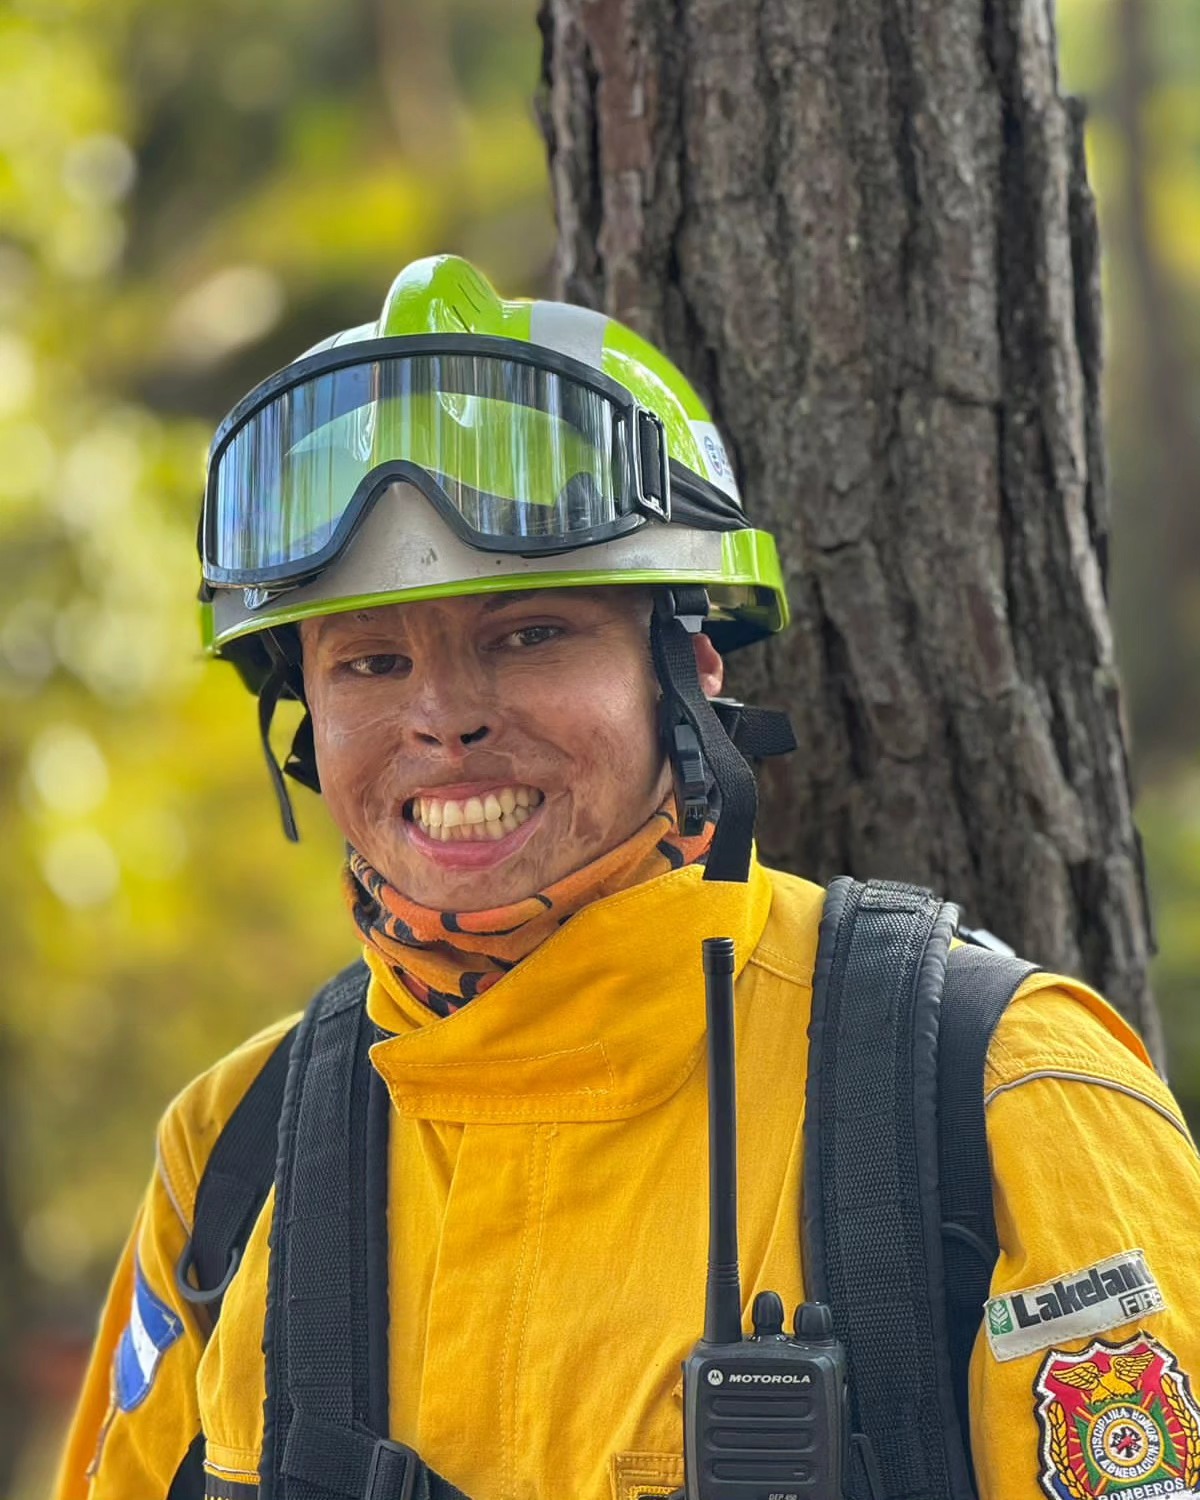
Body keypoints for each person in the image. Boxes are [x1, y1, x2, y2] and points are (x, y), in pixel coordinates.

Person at [55, 255, 1200, 1500]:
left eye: (528, 634)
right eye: (371, 662)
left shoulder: (1002, 1098)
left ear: (688, 673)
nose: (443, 718)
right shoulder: (232, 1155)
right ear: (305, 722)